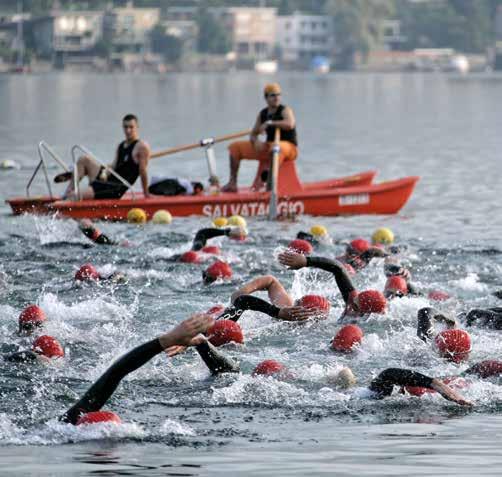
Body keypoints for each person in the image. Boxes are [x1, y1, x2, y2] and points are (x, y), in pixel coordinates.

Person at [59, 314, 240, 425]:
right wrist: (166, 341)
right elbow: (115, 373)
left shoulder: (66, 424)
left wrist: (168, 341)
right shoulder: (69, 424)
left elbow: (115, 373)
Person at [222, 83, 298, 192]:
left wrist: (270, 123)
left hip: (289, 148)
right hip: (270, 147)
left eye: (278, 95)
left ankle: (268, 185)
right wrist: (255, 141)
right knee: (235, 147)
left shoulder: (285, 110)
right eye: (273, 95)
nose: (276, 98)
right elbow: (253, 133)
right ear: (266, 98)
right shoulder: (262, 114)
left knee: (276, 147)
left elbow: (290, 124)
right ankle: (232, 183)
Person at [55, 114, 150, 200]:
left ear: (137, 127)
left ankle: (71, 197)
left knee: (74, 196)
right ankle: (67, 192)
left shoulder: (142, 147)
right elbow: (113, 166)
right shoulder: (121, 145)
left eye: (131, 127)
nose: (128, 130)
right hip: (107, 181)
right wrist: (104, 172)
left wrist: (146, 193)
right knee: (84, 159)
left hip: (115, 188)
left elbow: (143, 171)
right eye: (125, 127)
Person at [278, 251, 387, 321]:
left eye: (355, 306)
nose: (349, 305)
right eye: (354, 299)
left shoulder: (364, 326)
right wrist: (306, 261)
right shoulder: (352, 300)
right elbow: (338, 268)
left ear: (366, 313)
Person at [216, 275, 329, 322]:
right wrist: (242, 292)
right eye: (296, 302)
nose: (293, 305)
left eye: (297, 304)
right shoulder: (287, 307)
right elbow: (271, 281)